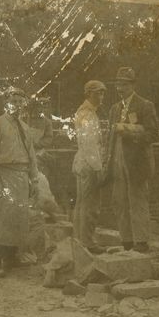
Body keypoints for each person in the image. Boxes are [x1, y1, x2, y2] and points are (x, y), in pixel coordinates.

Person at [0, 87, 39, 277]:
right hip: (5, 175)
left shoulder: (25, 127)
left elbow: (31, 155)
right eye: (13, 101)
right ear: (6, 103)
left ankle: (14, 256)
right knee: (3, 217)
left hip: (22, 176)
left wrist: (35, 179)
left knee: (19, 218)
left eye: (19, 102)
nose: (16, 105)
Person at [105, 67, 158, 253]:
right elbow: (109, 139)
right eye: (118, 84)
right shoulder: (114, 109)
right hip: (118, 162)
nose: (120, 88)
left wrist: (129, 130)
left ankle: (141, 242)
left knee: (138, 201)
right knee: (119, 202)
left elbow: (152, 134)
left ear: (133, 85)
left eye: (125, 84)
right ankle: (126, 241)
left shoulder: (145, 105)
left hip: (136, 163)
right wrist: (108, 161)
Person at [72, 80, 107, 254]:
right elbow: (89, 145)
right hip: (89, 165)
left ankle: (81, 240)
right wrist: (98, 168)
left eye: (102, 93)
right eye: (97, 93)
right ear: (88, 94)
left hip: (86, 163)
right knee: (89, 205)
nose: (101, 97)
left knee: (84, 204)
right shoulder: (86, 115)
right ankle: (86, 241)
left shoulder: (89, 113)